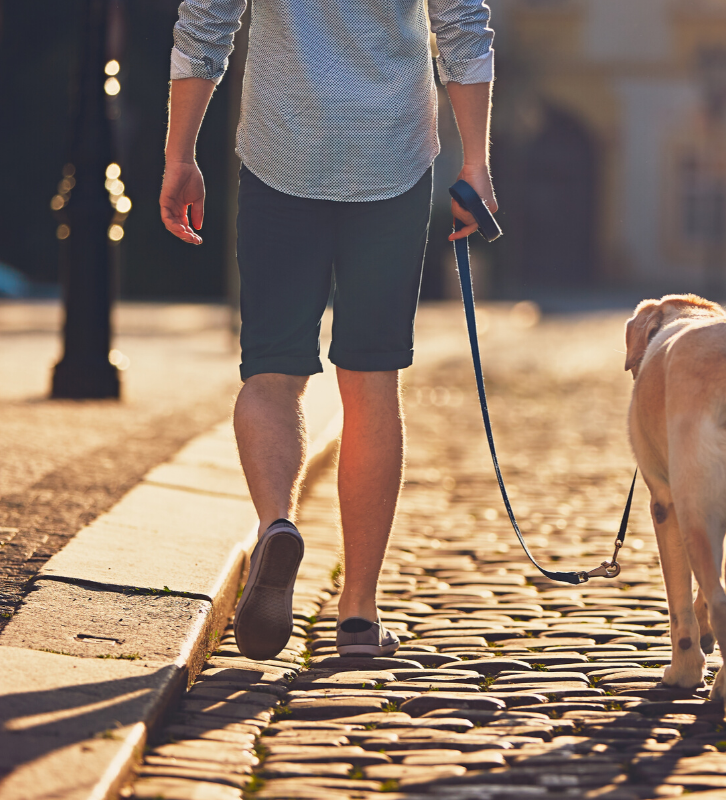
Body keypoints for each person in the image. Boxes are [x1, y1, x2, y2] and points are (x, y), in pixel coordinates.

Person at [160, 0, 497, 661]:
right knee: (372, 381)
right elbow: (463, 29)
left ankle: (277, 524)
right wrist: (475, 161)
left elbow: (205, 25)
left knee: (270, 372)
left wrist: (180, 154)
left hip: (281, 150)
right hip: (393, 155)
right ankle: (359, 615)